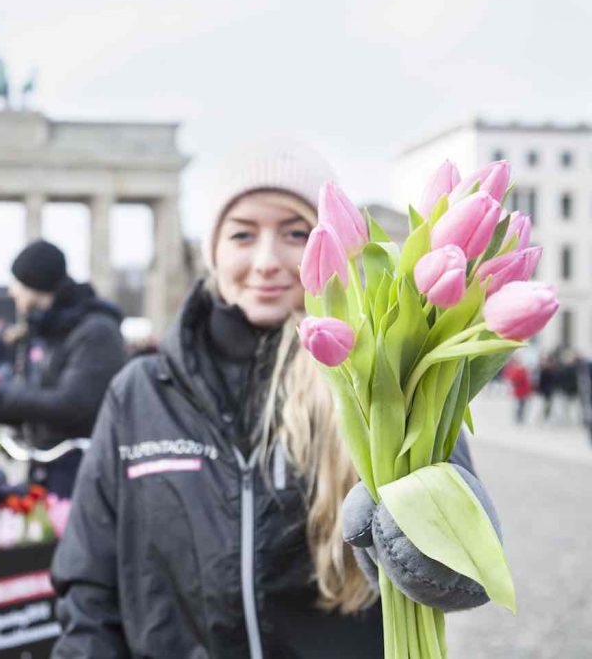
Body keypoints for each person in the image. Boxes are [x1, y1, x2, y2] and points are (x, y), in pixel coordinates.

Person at [49, 142, 501, 658]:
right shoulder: (139, 393)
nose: (267, 261)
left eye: (296, 233)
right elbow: (90, 585)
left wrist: (433, 555)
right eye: (242, 233)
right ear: (211, 250)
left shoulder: (392, 383)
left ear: (336, 245)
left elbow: (466, 568)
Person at [0, 240, 128, 498]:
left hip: (83, 476)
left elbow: (73, 404)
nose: (11, 292)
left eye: (17, 283)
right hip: (47, 470)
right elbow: (33, 398)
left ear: (35, 284)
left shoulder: (96, 332)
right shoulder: (45, 330)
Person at [502, 357, 533, 424]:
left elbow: (527, 383)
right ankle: (518, 417)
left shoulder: (525, 371)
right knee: (519, 405)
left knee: (522, 405)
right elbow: (514, 380)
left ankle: (520, 417)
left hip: (523, 392)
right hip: (519, 392)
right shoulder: (518, 371)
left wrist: (529, 392)